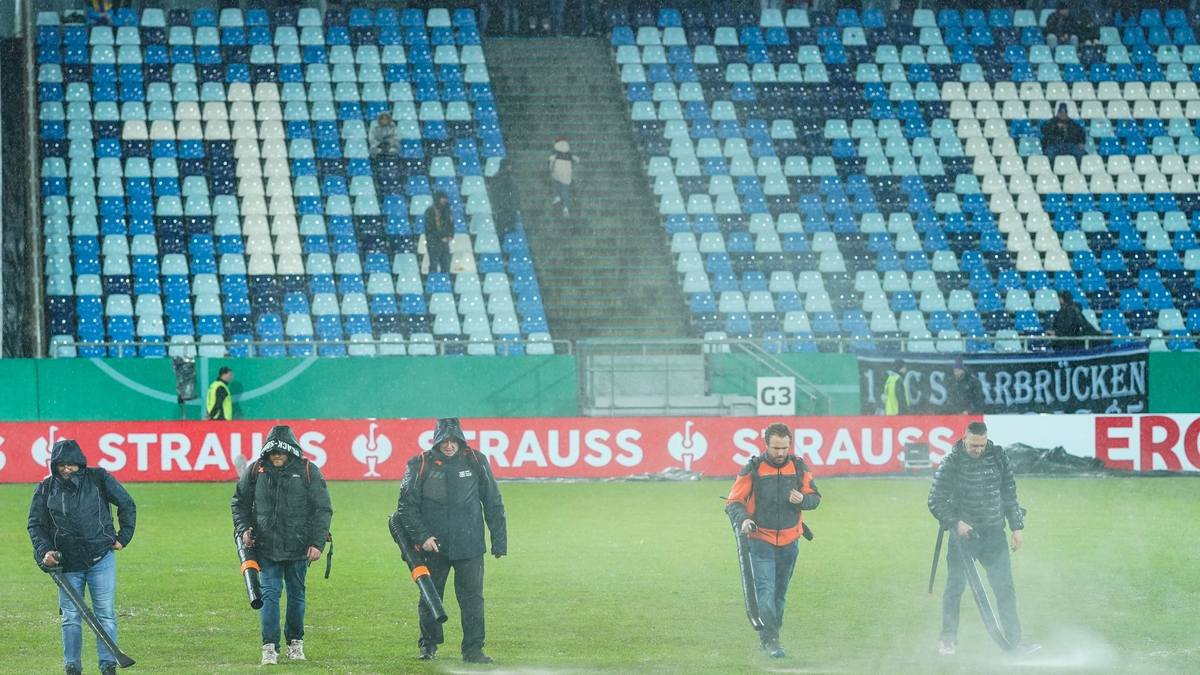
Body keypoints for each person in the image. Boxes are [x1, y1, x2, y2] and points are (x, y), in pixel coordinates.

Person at [395, 418, 507, 664]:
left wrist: (499, 541)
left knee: (473, 600)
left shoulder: (476, 460)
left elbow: (493, 501)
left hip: (470, 545)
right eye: (444, 441)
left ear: (461, 441)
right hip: (434, 547)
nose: (449, 445)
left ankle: (473, 650)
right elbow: (406, 506)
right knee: (430, 597)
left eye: (453, 441)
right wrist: (422, 537)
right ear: (436, 441)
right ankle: (428, 646)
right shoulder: (419, 463)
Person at [928, 421, 1039, 656]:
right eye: (974, 445)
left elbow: (1009, 492)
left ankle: (1016, 641)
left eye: (982, 445)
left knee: (1005, 589)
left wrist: (1017, 527)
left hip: (994, 535)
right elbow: (935, 500)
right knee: (955, 587)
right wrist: (957, 523)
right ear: (964, 439)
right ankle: (947, 639)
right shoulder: (951, 462)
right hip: (963, 540)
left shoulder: (998, 457)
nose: (978, 449)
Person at [27, 439, 137, 675]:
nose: (66, 469)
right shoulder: (45, 488)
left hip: (101, 559)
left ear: (80, 463)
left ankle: (108, 665)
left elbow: (127, 503)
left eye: (71, 464)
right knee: (70, 617)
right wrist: (44, 551)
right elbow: (36, 525)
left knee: (105, 614)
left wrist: (123, 537)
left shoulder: (98, 478)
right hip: (66, 565)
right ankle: (72, 666)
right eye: (61, 465)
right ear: (54, 465)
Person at [231, 425, 334, 666]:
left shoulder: (308, 470)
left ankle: (295, 644)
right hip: (266, 547)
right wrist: (243, 529)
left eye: (281, 451)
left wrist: (317, 543)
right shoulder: (256, 470)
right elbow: (239, 502)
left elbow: (323, 509)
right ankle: (269, 648)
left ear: (291, 451)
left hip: (299, 548)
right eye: (273, 452)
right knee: (269, 595)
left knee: (296, 597)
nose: (276, 455)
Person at [725, 423, 821, 659]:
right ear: (766, 445)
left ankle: (769, 635)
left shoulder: (799, 467)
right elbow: (733, 502)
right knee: (765, 591)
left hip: (790, 542)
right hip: (760, 541)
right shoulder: (753, 468)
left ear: (790, 445)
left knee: (780, 593)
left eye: (784, 448)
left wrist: (802, 500)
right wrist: (744, 520)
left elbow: (815, 498)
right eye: (776, 448)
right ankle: (771, 641)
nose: (780, 453)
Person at [488, 158, 519, 241]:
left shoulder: (510, 177)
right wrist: (499, 207)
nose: (511, 167)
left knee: (510, 231)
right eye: (509, 165)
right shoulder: (498, 178)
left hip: (510, 209)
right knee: (502, 231)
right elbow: (495, 194)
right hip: (503, 209)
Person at [548, 137, 579, 217]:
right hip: (567, 171)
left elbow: (552, 160)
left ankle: (556, 196)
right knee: (565, 190)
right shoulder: (568, 152)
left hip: (558, 168)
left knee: (555, 181)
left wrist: (550, 169)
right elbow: (576, 159)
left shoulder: (555, 150)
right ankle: (565, 208)